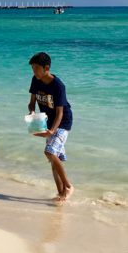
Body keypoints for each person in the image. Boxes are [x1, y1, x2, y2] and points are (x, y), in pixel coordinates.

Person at [26, 51, 74, 202]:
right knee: (54, 159)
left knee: (49, 152)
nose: (34, 71)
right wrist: (32, 113)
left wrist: (52, 130)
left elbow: (60, 112)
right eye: (32, 68)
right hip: (46, 122)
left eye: (36, 68)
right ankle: (61, 195)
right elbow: (32, 102)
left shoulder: (58, 86)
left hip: (62, 123)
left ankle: (68, 186)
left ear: (46, 68)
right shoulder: (35, 80)